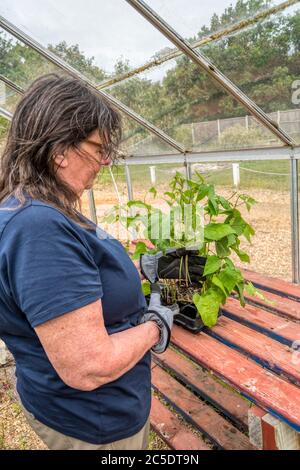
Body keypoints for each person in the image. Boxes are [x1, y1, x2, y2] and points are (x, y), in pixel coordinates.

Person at [0, 74, 204, 450]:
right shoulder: (39, 228)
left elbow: (74, 277)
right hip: (94, 422)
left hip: (68, 404)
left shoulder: (33, 207)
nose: (105, 159)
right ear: (60, 148)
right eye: (97, 147)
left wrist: (134, 267)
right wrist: (157, 323)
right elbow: (89, 365)